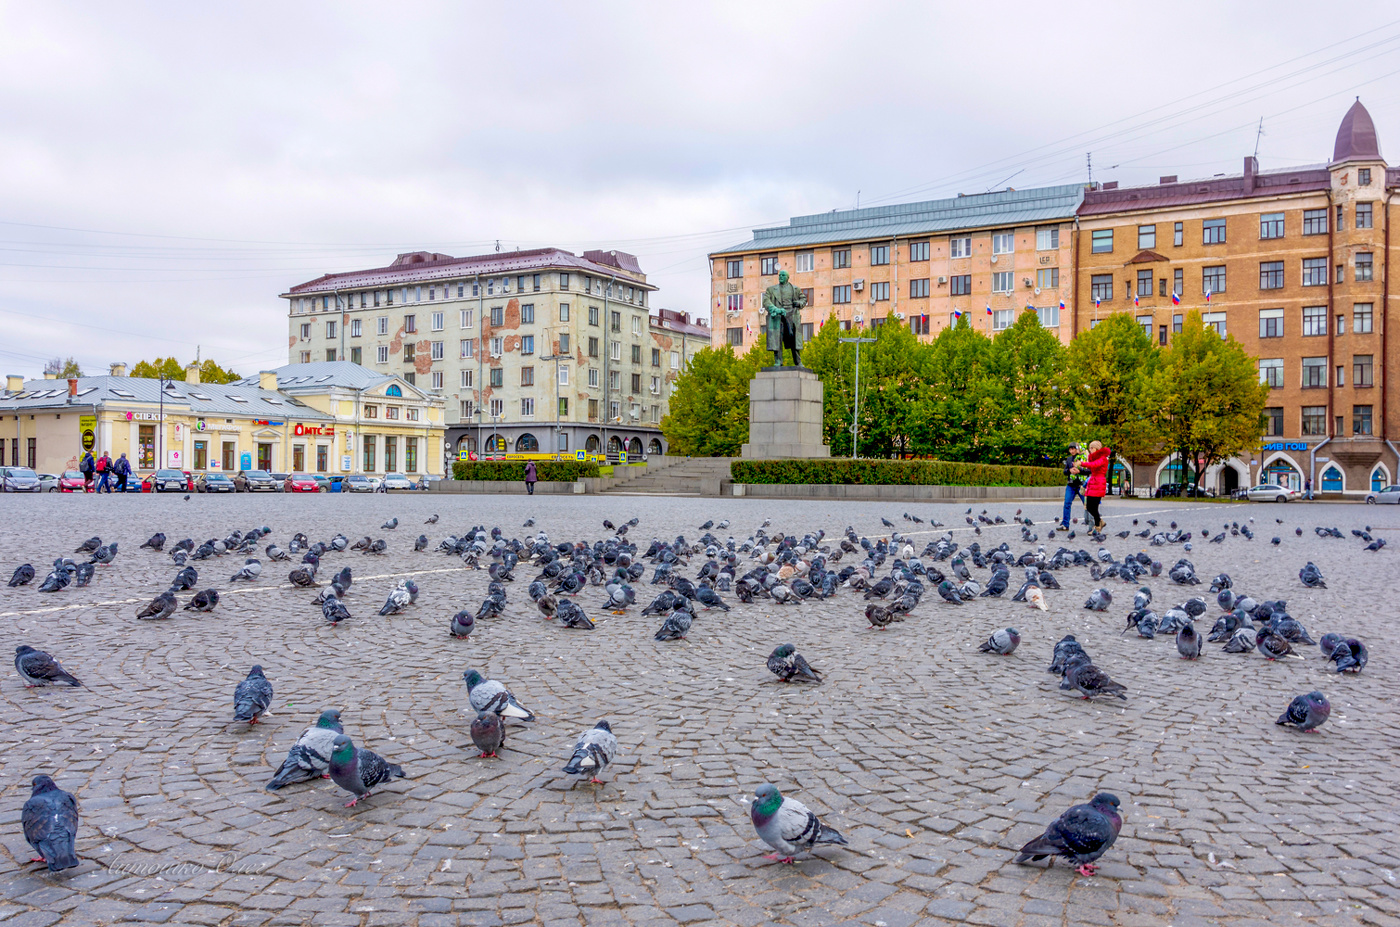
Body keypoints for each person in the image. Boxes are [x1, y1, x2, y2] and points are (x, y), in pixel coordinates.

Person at [1081, 441, 1111, 531]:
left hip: (1098, 483)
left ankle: (1098, 526)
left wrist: (1082, 464)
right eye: (1090, 448)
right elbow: (1090, 466)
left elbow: (1094, 465)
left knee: (1093, 506)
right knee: (1089, 506)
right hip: (1093, 482)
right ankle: (1099, 522)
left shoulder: (1102, 458)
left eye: (1092, 448)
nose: (1090, 450)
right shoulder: (1094, 458)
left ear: (1097, 448)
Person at [1059, 442, 1086, 529]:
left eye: (1073, 449)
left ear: (1077, 449)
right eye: (1070, 449)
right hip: (1071, 484)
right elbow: (1064, 471)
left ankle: (1093, 525)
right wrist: (1070, 470)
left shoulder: (1083, 458)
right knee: (1067, 503)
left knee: (1087, 504)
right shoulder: (1069, 459)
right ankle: (1065, 524)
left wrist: (1080, 471)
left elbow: (1089, 471)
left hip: (1081, 485)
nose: (1072, 451)